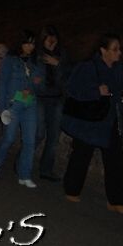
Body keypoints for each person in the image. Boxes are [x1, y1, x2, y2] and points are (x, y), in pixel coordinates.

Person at [61, 33, 123, 213]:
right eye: (115, 49)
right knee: (82, 155)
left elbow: (117, 91)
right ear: (103, 51)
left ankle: (116, 200)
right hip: (90, 120)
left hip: (110, 120)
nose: (119, 53)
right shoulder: (87, 67)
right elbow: (72, 89)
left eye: (119, 49)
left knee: (115, 159)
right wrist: (95, 91)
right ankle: (72, 189)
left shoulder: (117, 68)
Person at [0, 30, 44, 188]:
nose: (30, 46)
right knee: (9, 137)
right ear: (21, 43)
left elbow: (39, 82)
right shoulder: (10, 60)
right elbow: (3, 82)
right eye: (27, 42)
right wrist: (2, 106)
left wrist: (35, 82)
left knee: (29, 141)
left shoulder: (36, 62)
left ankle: (24, 174)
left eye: (33, 43)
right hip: (13, 103)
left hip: (30, 104)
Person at [35, 26, 72, 182]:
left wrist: (57, 64)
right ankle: (22, 163)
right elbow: (33, 77)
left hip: (57, 99)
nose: (52, 42)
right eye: (48, 39)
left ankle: (46, 170)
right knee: (39, 133)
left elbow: (70, 74)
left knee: (53, 137)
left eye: (54, 39)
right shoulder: (36, 55)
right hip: (40, 98)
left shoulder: (62, 55)